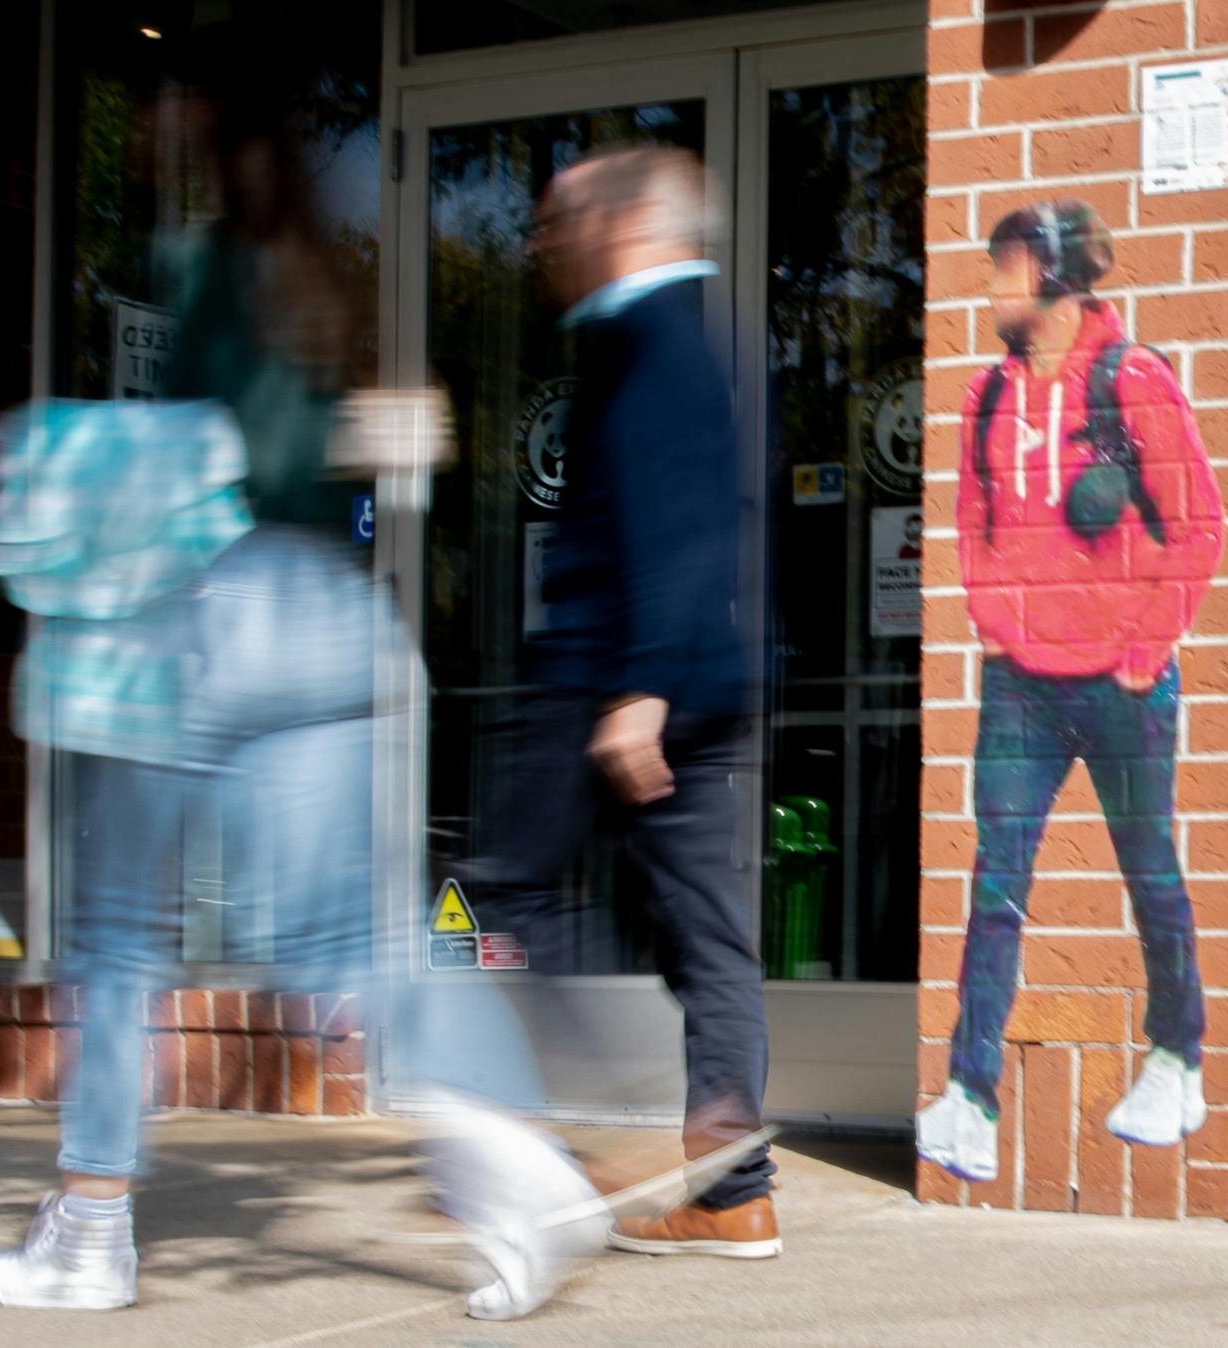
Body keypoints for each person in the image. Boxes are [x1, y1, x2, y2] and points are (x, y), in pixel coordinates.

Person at [0, 33, 384, 1311]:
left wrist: (41, 451)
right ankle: (501, 1160)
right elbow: (325, 444)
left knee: (116, 932)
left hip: (194, 619)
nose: (141, 128)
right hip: (319, 610)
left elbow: (197, 454)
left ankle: (92, 1225)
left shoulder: (200, 266)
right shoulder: (323, 269)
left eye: (154, 105)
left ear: (199, 115)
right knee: (326, 942)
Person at [429, 145, 776, 1320]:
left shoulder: (647, 340)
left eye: (558, 222)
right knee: (706, 945)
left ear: (624, 227)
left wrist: (640, 691)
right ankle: (734, 1193)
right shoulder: (679, 335)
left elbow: (679, 524)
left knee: (495, 898)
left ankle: (559, 1150)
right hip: (685, 682)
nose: (542, 245)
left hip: (613, 683)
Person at [916, 200, 1226, 1184]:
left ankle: (1177, 1059)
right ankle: (970, 1095)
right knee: (996, 884)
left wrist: (1144, 644)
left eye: (1007, 271)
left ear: (1052, 279)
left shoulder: (1130, 381)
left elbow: (1200, 525)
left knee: (1152, 872)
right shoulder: (986, 399)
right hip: (1022, 689)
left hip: (1124, 684)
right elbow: (971, 526)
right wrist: (1002, 622)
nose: (994, 288)